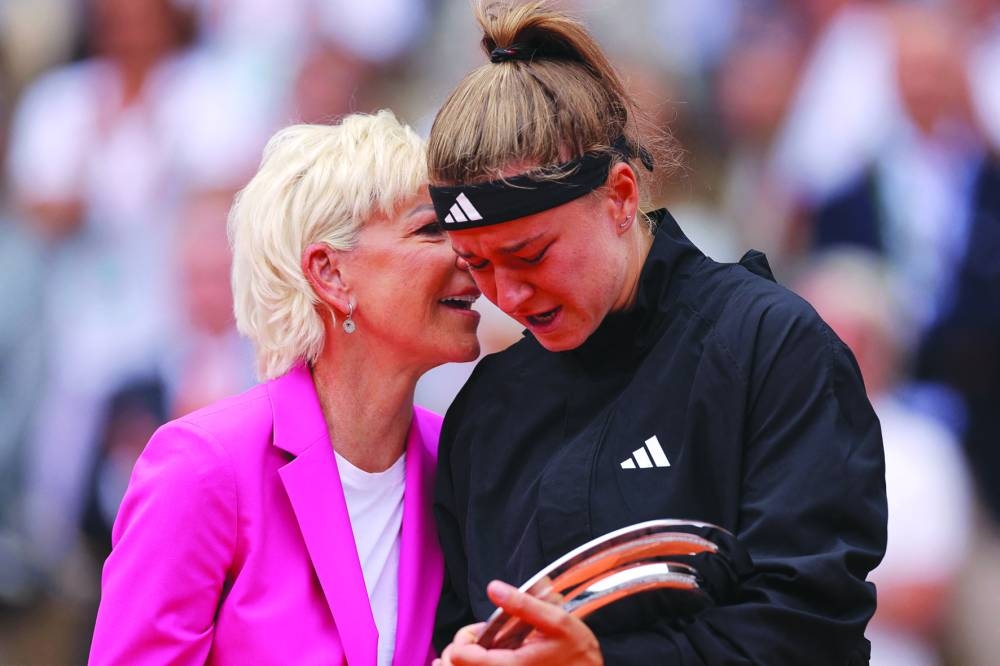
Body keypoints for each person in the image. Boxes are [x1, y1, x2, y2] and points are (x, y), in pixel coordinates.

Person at [427, 3, 887, 665]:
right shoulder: (487, 407)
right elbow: (457, 626)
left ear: (618, 197)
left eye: (530, 255)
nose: (508, 295)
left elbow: (811, 628)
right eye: (478, 265)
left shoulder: (770, 346)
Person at [89, 110, 482, 665]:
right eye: (430, 229)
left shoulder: (461, 461)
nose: (469, 252)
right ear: (330, 274)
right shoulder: (203, 468)